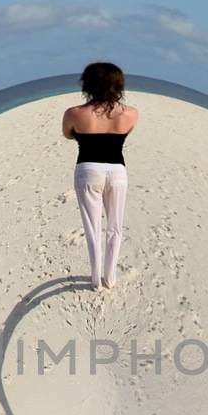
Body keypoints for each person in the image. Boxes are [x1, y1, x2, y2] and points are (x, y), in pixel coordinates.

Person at [62, 61, 139, 289]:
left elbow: (67, 134)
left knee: (92, 227)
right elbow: (126, 132)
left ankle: (95, 280)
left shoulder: (74, 113)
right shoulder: (131, 114)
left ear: (88, 85)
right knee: (115, 226)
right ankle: (110, 277)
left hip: (88, 169)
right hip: (117, 171)